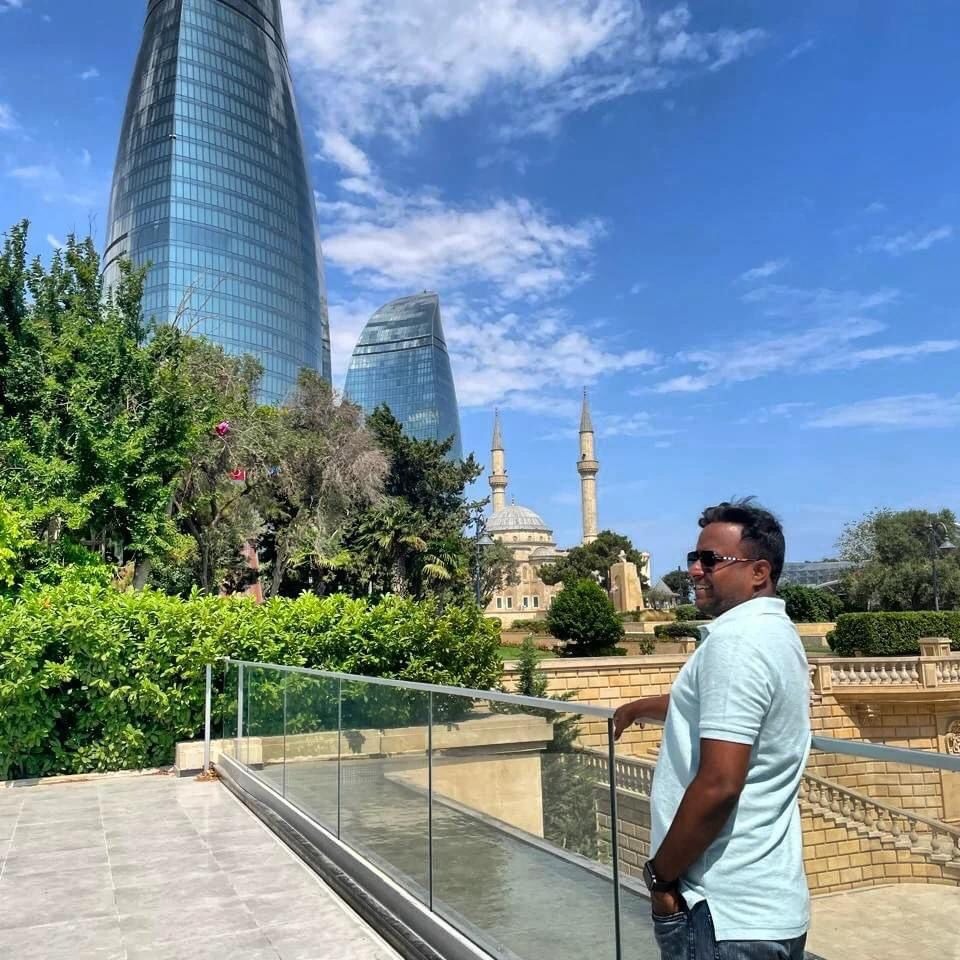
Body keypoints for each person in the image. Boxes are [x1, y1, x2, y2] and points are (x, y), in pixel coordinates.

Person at [613, 499, 810, 960]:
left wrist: (660, 877)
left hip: (721, 913)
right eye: (694, 558)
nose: (695, 571)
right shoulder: (776, 633)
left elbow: (720, 783)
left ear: (758, 572)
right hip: (769, 907)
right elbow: (719, 708)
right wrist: (639, 707)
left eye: (710, 560)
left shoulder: (737, 644)